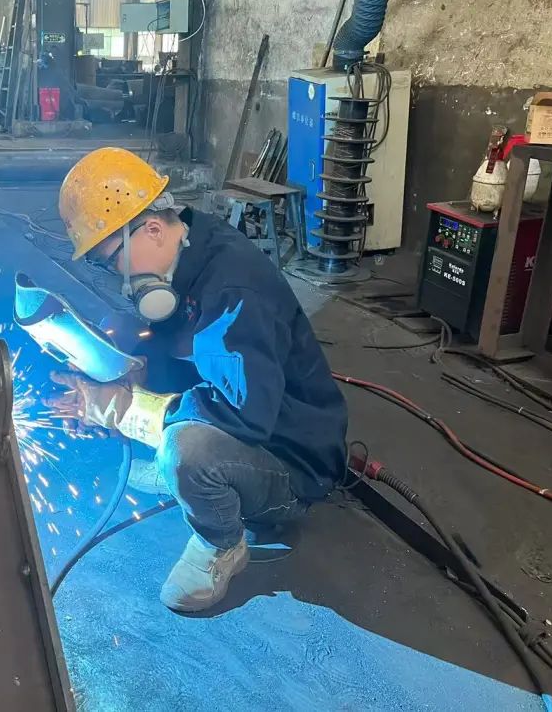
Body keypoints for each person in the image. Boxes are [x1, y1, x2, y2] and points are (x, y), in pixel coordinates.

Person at [44, 147, 348, 613]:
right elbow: (174, 342)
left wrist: (123, 408)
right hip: (256, 420)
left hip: (292, 461)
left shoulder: (233, 291)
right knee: (127, 337)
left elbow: (245, 416)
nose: (115, 277)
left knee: (186, 451)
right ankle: (190, 479)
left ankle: (220, 542)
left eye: (111, 261)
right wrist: (121, 370)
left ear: (151, 228)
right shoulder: (188, 246)